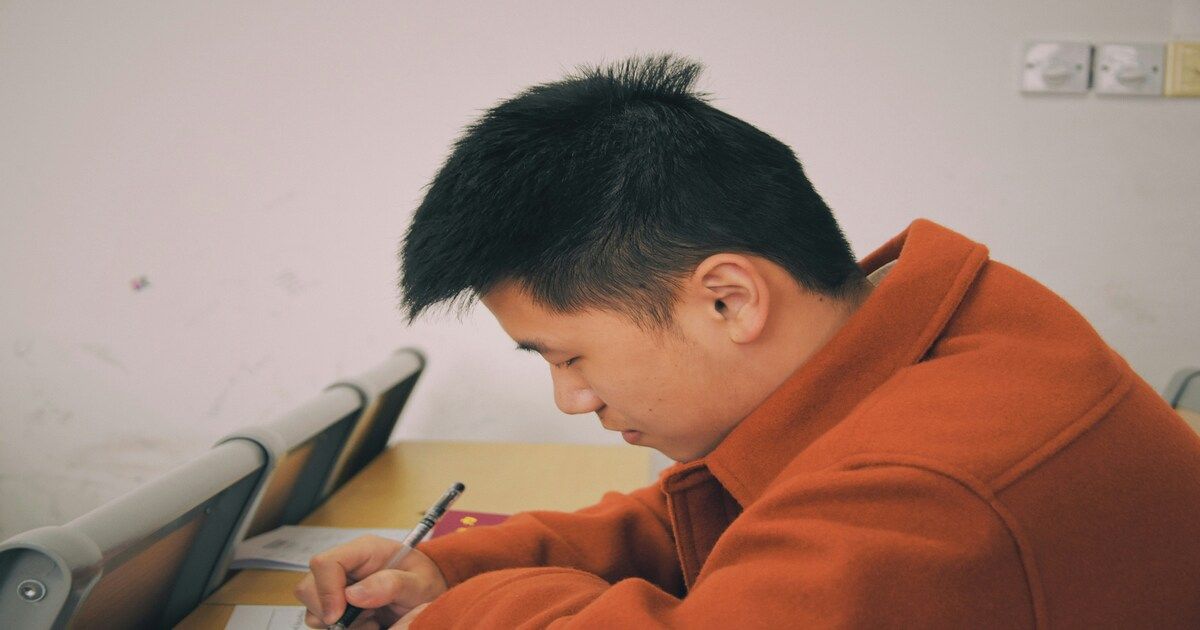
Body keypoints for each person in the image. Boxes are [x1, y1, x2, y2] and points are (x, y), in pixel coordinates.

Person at [294, 55, 1200, 629]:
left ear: (727, 299)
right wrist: (449, 564)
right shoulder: (932, 329)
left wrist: (461, 612)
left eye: (569, 357)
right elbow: (716, 513)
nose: (571, 398)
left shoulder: (925, 491)